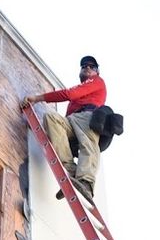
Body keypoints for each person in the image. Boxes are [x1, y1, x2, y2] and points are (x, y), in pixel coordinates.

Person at [23, 55, 106, 202]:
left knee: (88, 145)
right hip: (72, 120)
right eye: (84, 66)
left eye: (91, 66)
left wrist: (37, 98)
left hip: (87, 116)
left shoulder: (97, 82)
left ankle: (85, 182)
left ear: (97, 72)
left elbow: (69, 94)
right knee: (51, 118)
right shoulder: (77, 96)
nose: (87, 67)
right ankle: (72, 175)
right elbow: (71, 98)